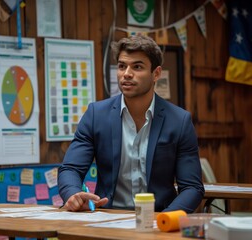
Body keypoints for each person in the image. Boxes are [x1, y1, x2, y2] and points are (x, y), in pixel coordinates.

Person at [58, 35, 204, 213]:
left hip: (159, 218)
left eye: (137, 67)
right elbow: (70, 168)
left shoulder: (179, 121)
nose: (126, 73)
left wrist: (165, 220)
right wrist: (73, 194)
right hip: (107, 218)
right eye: (121, 66)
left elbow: (192, 187)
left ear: (156, 73)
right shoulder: (96, 115)